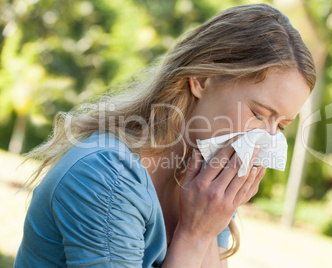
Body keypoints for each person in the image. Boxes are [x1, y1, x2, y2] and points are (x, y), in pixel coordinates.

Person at [14, 3, 316, 268]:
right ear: (201, 78)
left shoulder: (206, 189)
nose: (265, 139)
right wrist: (195, 235)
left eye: (280, 126)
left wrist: (211, 224)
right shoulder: (106, 177)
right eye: (258, 114)